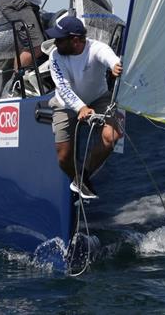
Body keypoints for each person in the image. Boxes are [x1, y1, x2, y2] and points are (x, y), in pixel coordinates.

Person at [46, 16, 123, 199]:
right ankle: (78, 180)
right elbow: (62, 88)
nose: (55, 42)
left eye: (59, 39)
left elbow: (109, 57)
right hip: (65, 104)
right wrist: (81, 108)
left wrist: (115, 66)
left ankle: (83, 178)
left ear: (74, 40)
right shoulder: (55, 55)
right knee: (64, 157)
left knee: (112, 136)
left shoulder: (96, 48)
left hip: (98, 98)